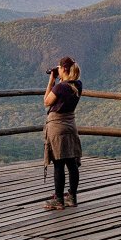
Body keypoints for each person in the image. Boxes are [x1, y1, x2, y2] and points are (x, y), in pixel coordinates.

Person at [43, 56, 83, 210]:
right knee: (72, 163)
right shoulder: (77, 85)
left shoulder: (60, 87)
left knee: (58, 163)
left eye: (59, 67)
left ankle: (58, 199)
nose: (57, 70)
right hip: (70, 126)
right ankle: (72, 197)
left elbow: (46, 101)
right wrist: (59, 77)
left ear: (64, 70)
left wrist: (51, 80)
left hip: (57, 127)